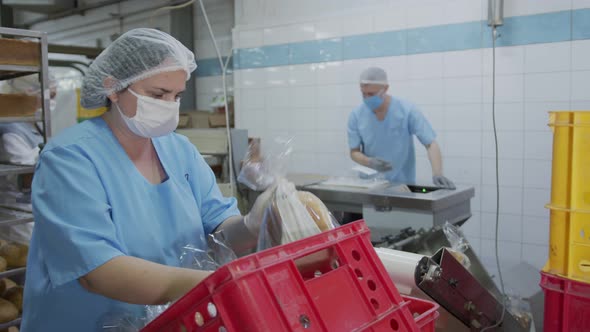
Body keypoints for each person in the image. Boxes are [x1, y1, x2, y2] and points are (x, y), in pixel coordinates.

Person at [21, 28, 272, 331]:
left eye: (176, 96)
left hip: (168, 321)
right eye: (158, 95)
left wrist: (251, 225)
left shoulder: (180, 151)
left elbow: (219, 231)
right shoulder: (69, 158)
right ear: (113, 88)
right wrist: (215, 284)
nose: (169, 106)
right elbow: (97, 272)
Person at [347, 67, 455, 189]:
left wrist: (437, 173)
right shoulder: (357, 115)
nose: (367, 98)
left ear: (385, 89)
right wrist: (370, 162)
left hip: (403, 186)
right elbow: (354, 152)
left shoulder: (406, 110)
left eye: (371, 94)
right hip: (369, 185)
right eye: (363, 94)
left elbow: (430, 143)